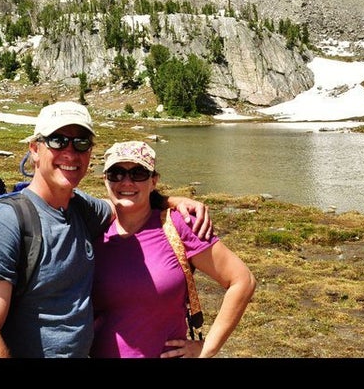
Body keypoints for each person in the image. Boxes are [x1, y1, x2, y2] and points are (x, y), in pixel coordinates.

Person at [0, 102, 212, 358]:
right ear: (35, 149)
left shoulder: (82, 209)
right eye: (58, 141)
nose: (71, 152)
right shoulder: (5, 224)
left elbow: (121, 205)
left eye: (81, 142)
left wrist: (169, 201)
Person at [90, 140, 256, 358]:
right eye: (116, 173)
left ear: (154, 180)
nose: (127, 182)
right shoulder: (91, 227)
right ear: (105, 180)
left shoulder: (179, 224)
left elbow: (242, 280)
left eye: (138, 173)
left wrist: (207, 348)